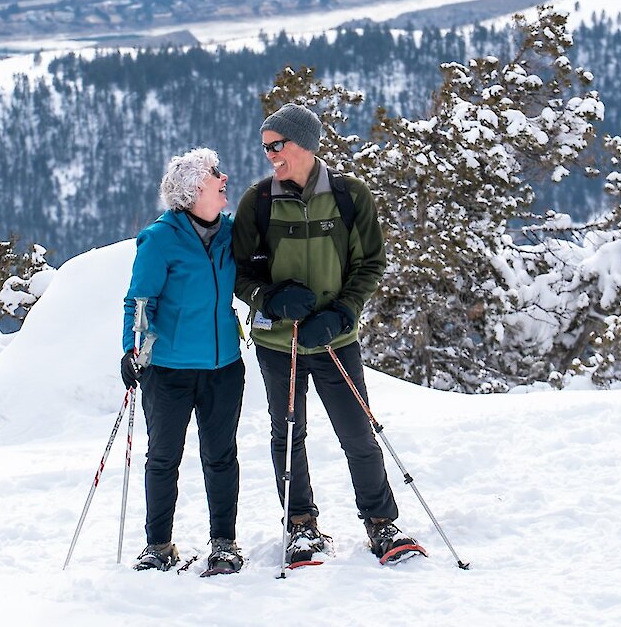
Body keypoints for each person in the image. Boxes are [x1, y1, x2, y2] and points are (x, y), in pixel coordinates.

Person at [232, 103, 424, 566]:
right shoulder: (258, 201)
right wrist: (270, 300)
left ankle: (381, 524)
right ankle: (300, 526)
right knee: (288, 434)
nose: (270, 155)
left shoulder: (348, 196)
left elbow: (370, 264)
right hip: (281, 343)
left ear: (305, 143)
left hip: (335, 339)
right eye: (265, 147)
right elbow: (237, 272)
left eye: (277, 145)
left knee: (358, 431)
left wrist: (341, 314)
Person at [121, 147, 246, 576]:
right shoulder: (160, 238)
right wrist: (131, 350)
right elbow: (139, 302)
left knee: (220, 456)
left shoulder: (232, 233)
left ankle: (224, 544)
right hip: (169, 371)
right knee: (163, 458)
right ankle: (158, 545)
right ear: (194, 189)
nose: (225, 176)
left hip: (224, 367)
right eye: (216, 173)